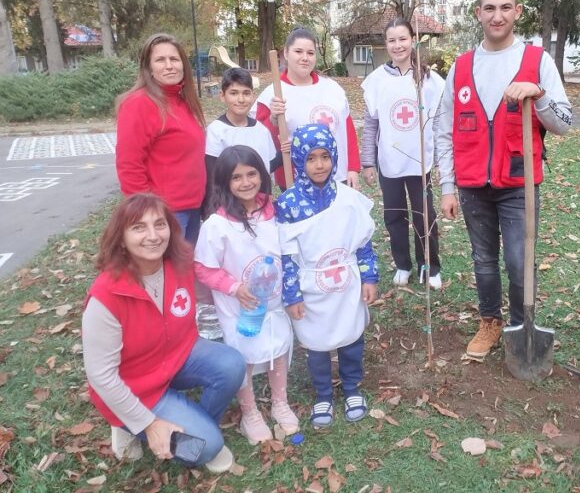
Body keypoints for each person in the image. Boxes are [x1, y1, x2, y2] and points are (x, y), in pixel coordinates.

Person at [434, 0, 572, 359]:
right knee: (483, 259)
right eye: (490, 8)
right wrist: (448, 186)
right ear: (478, 13)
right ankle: (490, 321)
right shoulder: (461, 67)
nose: (497, 15)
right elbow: (443, 130)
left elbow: (563, 123)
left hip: (518, 182)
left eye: (505, 7)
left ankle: (518, 324)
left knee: (518, 258)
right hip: (473, 183)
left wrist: (538, 95)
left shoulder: (537, 61)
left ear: (518, 12)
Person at [82, 193, 245, 472]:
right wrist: (148, 423)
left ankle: (195, 427)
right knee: (208, 446)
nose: (153, 235)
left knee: (232, 364)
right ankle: (132, 425)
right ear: (121, 238)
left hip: (178, 356)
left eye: (160, 224)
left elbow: (209, 286)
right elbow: (101, 376)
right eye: (138, 227)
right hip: (136, 387)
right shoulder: (106, 296)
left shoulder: (179, 263)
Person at [275, 124, 379, 429]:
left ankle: (351, 388)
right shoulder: (289, 204)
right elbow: (287, 254)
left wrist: (369, 277)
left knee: (351, 337)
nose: (319, 165)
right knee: (316, 342)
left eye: (324, 156)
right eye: (310, 159)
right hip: (311, 288)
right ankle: (323, 393)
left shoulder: (348, 198)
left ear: (334, 156)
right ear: (298, 161)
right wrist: (291, 294)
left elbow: (362, 243)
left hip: (346, 284)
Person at [194, 145, 299, 445]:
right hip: (240, 306)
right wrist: (234, 288)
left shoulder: (275, 212)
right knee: (245, 356)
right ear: (225, 182)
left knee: (278, 347)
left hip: (274, 303)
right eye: (236, 177)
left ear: (262, 175)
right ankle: (249, 411)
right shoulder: (217, 224)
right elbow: (203, 267)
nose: (246, 182)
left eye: (251, 174)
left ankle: (280, 401)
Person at [361, 18, 444, 289]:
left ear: (412, 41)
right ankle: (403, 264)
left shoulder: (429, 79)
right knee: (394, 215)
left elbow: (441, 120)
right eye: (392, 40)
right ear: (386, 44)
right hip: (389, 161)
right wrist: (367, 161)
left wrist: (443, 159)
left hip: (420, 161)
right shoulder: (376, 81)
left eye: (403, 39)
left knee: (424, 214)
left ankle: (429, 266)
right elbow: (371, 123)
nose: (398, 45)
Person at [115, 33, 207, 243]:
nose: (169, 66)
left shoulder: (184, 102)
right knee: (167, 273)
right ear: (149, 69)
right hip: (164, 214)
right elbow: (129, 166)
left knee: (184, 272)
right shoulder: (139, 104)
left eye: (174, 59)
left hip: (192, 207)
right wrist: (148, 215)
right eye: (160, 60)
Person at [250, 27, 361, 190]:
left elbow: (348, 130)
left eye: (310, 53)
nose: (305, 58)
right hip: (296, 180)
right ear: (286, 54)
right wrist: (273, 119)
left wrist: (353, 168)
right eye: (298, 51)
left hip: (336, 176)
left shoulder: (332, 89)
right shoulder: (272, 95)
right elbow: (262, 140)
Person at [203, 68, 278, 214]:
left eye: (246, 93)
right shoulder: (216, 132)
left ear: (253, 95)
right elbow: (213, 179)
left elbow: (267, 169)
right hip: (229, 208)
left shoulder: (261, 130)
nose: (241, 99)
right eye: (234, 93)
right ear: (222, 96)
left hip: (259, 207)